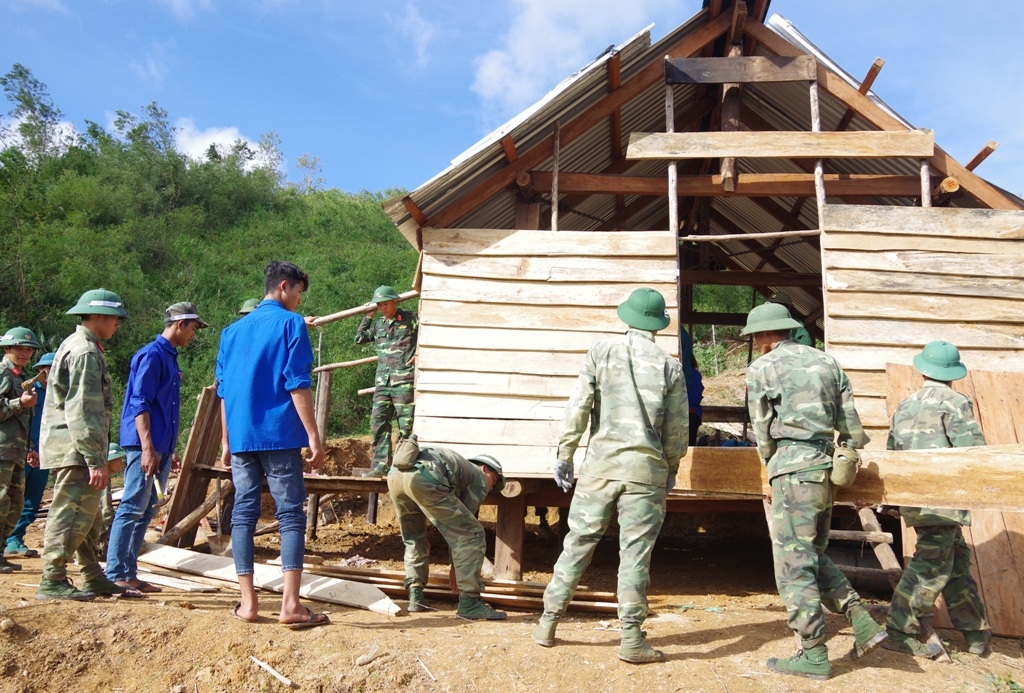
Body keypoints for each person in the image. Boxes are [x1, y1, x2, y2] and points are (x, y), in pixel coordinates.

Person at [533, 287, 686, 664]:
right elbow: (677, 432)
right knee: (635, 555)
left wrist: (565, 454)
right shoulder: (670, 367)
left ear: (627, 318)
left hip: (600, 468)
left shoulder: (600, 352)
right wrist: (670, 469)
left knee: (578, 542)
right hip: (645, 473)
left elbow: (578, 408)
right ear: (658, 325)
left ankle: (548, 623)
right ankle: (632, 639)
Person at [742, 302, 885, 680]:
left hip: (792, 471)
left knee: (793, 566)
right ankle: (861, 619)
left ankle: (814, 655)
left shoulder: (762, 369)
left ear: (763, 335)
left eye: (754, 337)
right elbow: (851, 428)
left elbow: (762, 428)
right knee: (811, 553)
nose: (755, 344)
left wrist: (772, 472)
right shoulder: (828, 362)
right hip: (826, 472)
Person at [216, 261, 327, 627]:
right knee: (290, 514)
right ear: (283, 287)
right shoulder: (290, 324)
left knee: (244, 513)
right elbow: (297, 383)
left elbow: (224, 393)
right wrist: (313, 434)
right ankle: (291, 606)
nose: (298, 301)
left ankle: (248, 604)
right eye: (297, 293)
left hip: (243, 436)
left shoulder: (231, 332)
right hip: (278, 433)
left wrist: (226, 441)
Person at [883, 341, 991, 658]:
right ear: (953, 374)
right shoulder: (956, 403)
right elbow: (973, 452)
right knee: (929, 567)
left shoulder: (904, 406)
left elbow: (893, 453)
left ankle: (975, 633)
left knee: (956, 563)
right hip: (943, 499)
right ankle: (899, 632)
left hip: (914, 498)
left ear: (923, 370)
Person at [37, 289, 132, 601]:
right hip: (76, 448)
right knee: (71, 514)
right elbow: (83, 409)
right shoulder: (85, 352)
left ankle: (91, 575)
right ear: (99, 316)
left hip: (75, 446)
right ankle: (52, 580)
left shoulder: (81, 346)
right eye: (116, 318)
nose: (118, 324)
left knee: (87, 516)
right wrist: (95, 459)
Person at [105, 302, 208, 592]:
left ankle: (129, 571)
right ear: (179, 324)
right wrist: (148, 448)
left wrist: (167, 448)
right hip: (143, 445)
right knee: (132, 507)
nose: (194, 335)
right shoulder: (151, 355)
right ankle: (115, 573)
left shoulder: (170, 358)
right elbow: (140, 404)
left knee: (148, 508)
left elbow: (166, 409)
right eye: (193, 329)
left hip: (159, 444)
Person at [387, 438, 507, 620]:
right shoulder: (479, 477)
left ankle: (415, 596)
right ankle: (470, 602)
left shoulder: (457, 466)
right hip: (424, 477)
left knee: (414, 537)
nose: (490, 488)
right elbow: (462, 533)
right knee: (473, 534)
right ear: (485, 468)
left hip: (396, 475)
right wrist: (456, 567)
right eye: (494, 481)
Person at [354, 285, 418, 477]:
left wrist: (421, 352)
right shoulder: (379, 324)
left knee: (406, 425)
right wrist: (368, 316)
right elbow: (359, 339)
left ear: (395, 302)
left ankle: (404, 466)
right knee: (378, 422)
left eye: (385, 304)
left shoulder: (411, 319)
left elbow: (431, 331)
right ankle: (380, 467)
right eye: (379, 305)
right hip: (383, 383)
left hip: (404, 380)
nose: (382, 308)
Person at [0, 327, 43, 573]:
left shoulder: (20, 376)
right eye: (19, 348)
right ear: (7, 349)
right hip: (2, 452)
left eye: (28, 350)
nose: (24, 353)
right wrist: (19, 402)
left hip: (16, 452)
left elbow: (24, 419)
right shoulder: (2, 372)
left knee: (14, 505)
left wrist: (30, 448)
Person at [5, 351, 53, 558]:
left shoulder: (63, 394)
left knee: (32, 500)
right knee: (11, 496)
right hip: (21, 449)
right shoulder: (31, 391)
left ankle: (15, 538)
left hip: (45, 452)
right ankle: (7, 540)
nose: (51, 373)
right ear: (41, 371)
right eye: (48, 369)